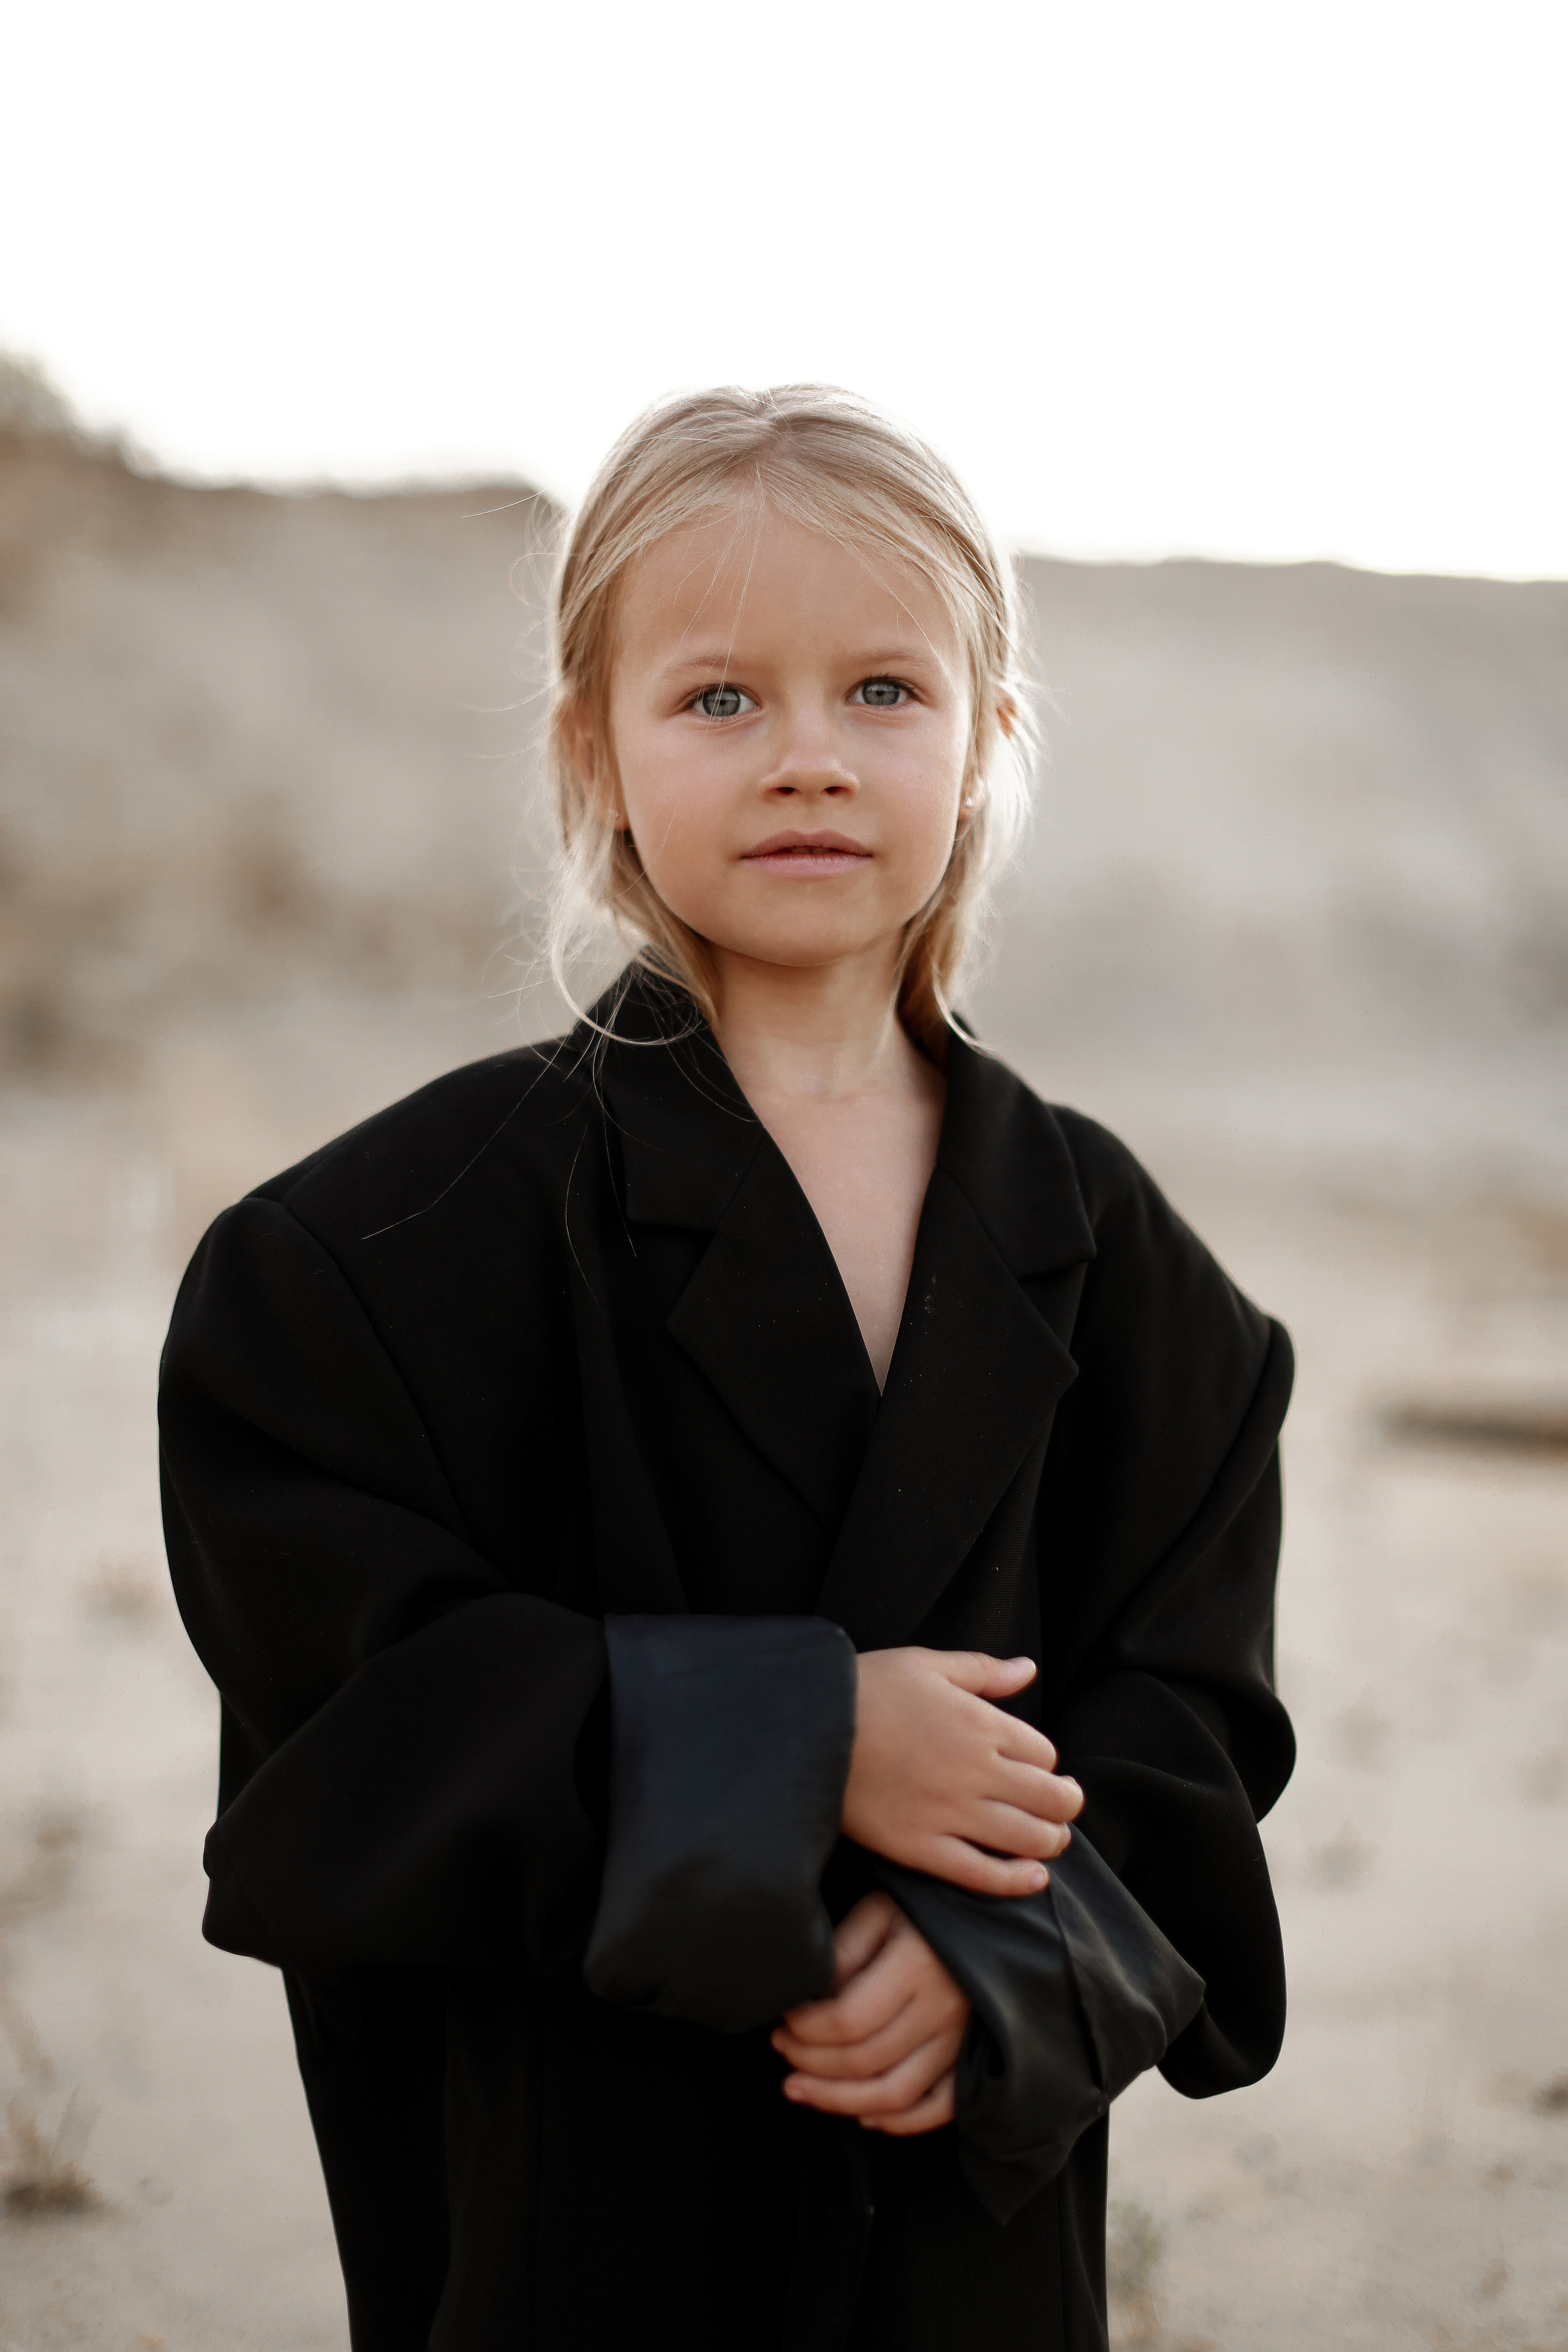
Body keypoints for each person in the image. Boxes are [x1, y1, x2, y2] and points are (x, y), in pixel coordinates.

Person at [160, 385, 1294, 2352]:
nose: (807, 760)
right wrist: (799, 1742)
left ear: (989, 739)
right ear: (587, 750)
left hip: (965, 2233)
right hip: (576, 2225)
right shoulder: (357, 1267)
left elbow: (1186, 1727)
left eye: (881, 690)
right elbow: (343, 1745)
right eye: (718, 700)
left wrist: (1008, 1953)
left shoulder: (1126, 1269)